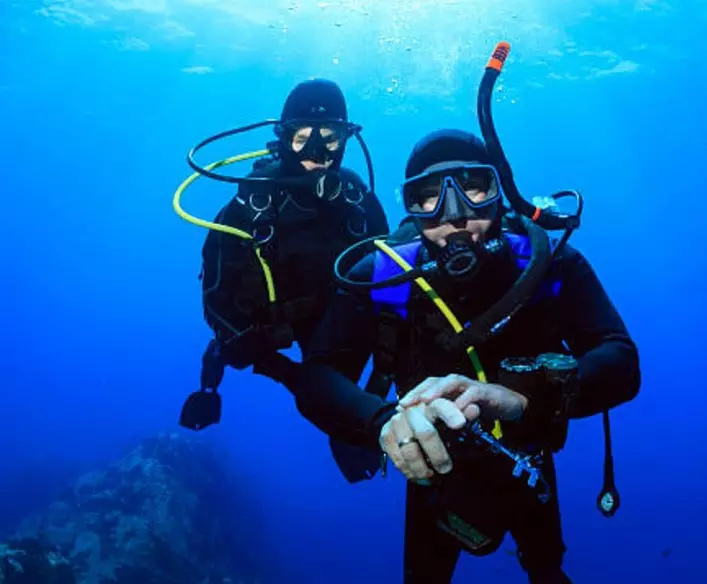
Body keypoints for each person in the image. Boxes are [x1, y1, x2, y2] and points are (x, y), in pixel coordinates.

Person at [281, 128, 641, 583]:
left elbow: (621, 360)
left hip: (527, 454)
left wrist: (525, 399)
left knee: (547, 568)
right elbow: (317, 376)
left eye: (473, 187)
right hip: (433, 463)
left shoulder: (547, 264)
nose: (454, 214)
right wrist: (382, 422)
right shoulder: (382, 275)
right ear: (410, 207)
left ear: (499, 192)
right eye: (428, 196)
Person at [175, 78, 390, 482]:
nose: (316, 153)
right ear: (283, 137)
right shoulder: (250, 205)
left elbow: (390, 280)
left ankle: (362, 418)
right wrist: (276, 365)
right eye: (302, 138)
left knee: (358, 366)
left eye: (330, 138)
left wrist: (376, 386)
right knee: (243, 354)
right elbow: (215, 293)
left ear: (346, 139)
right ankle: (219, 378)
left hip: (332, 318)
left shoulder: (358, 202)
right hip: (266, 327)